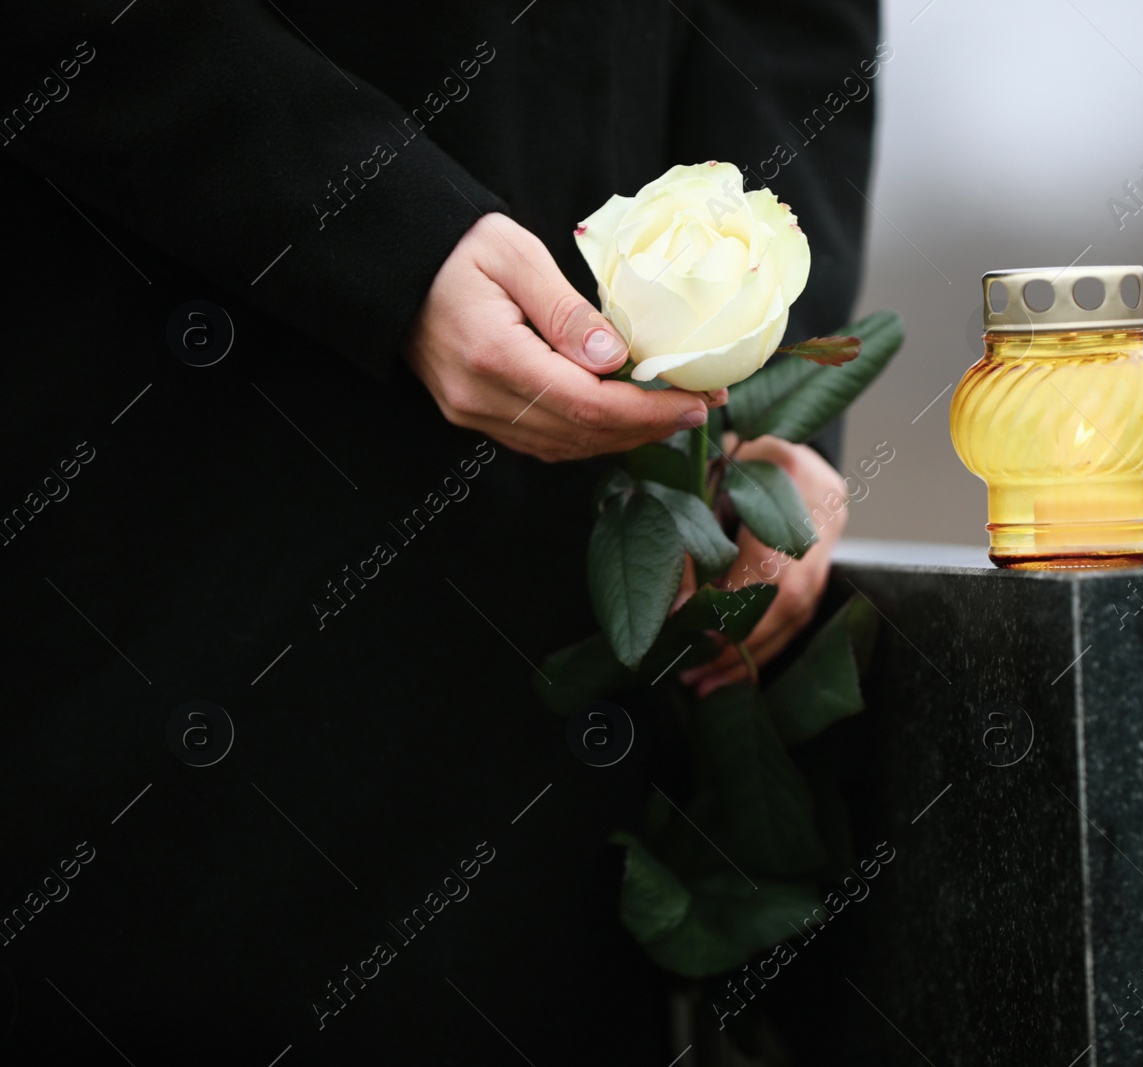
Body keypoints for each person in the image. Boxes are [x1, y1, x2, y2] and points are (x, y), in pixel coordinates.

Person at [0, 2, 878, 1062]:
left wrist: (751, 384)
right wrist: (383, 226)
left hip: (584, 640)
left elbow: (788, 35)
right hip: (176, 468)